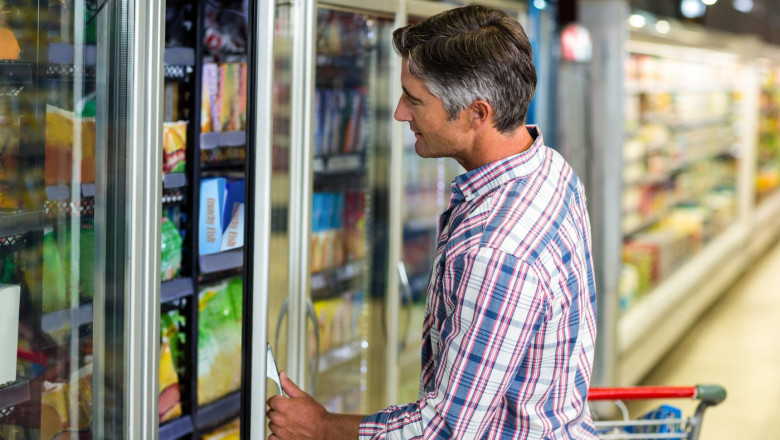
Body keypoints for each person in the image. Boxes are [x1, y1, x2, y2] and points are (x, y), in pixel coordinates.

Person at [267, 5, 599, 439]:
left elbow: (442, 432)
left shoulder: (496, 252)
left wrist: (323, 427)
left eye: (416, 99)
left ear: (477, 114)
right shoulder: (548, 168)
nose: (400, 113)